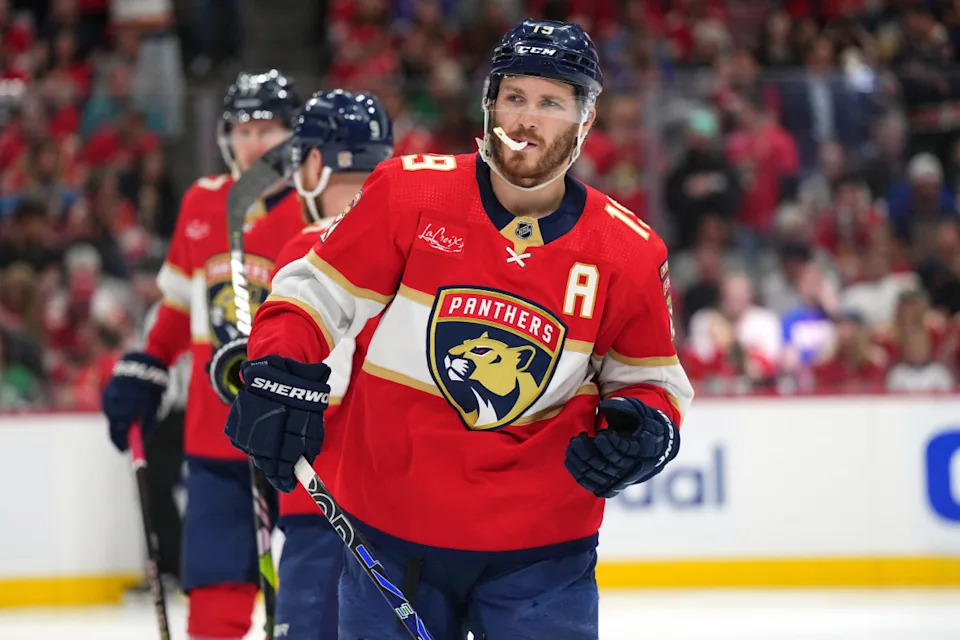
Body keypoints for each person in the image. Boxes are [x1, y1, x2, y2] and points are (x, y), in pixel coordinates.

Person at [227, 20, 694, 640]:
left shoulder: (627, 253)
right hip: (392, 533)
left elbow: (652, 384)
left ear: (584, 121)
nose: (527, 119)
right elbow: (312, 293)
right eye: (514, 97)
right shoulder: (408, 194)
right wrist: (279, 367)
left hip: (543, 551)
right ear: (489, 104)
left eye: (551, 102)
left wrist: (644, 429)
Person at [101, 69, 306, 640]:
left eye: (268, 130)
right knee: (216, 590)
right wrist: (149, 366)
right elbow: (176, 309)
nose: (253, 143)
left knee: (313, 590)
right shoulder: (201, 202)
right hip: (214, 436)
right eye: (242, 129)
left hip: (301, 438)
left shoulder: (316, 212)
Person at [209, 88, 394, 640]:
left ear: (313, 163)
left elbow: (308, 373)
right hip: (410, 511)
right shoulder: (422, 244)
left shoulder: (309, 247)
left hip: (324, 503)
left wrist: (258, 369)